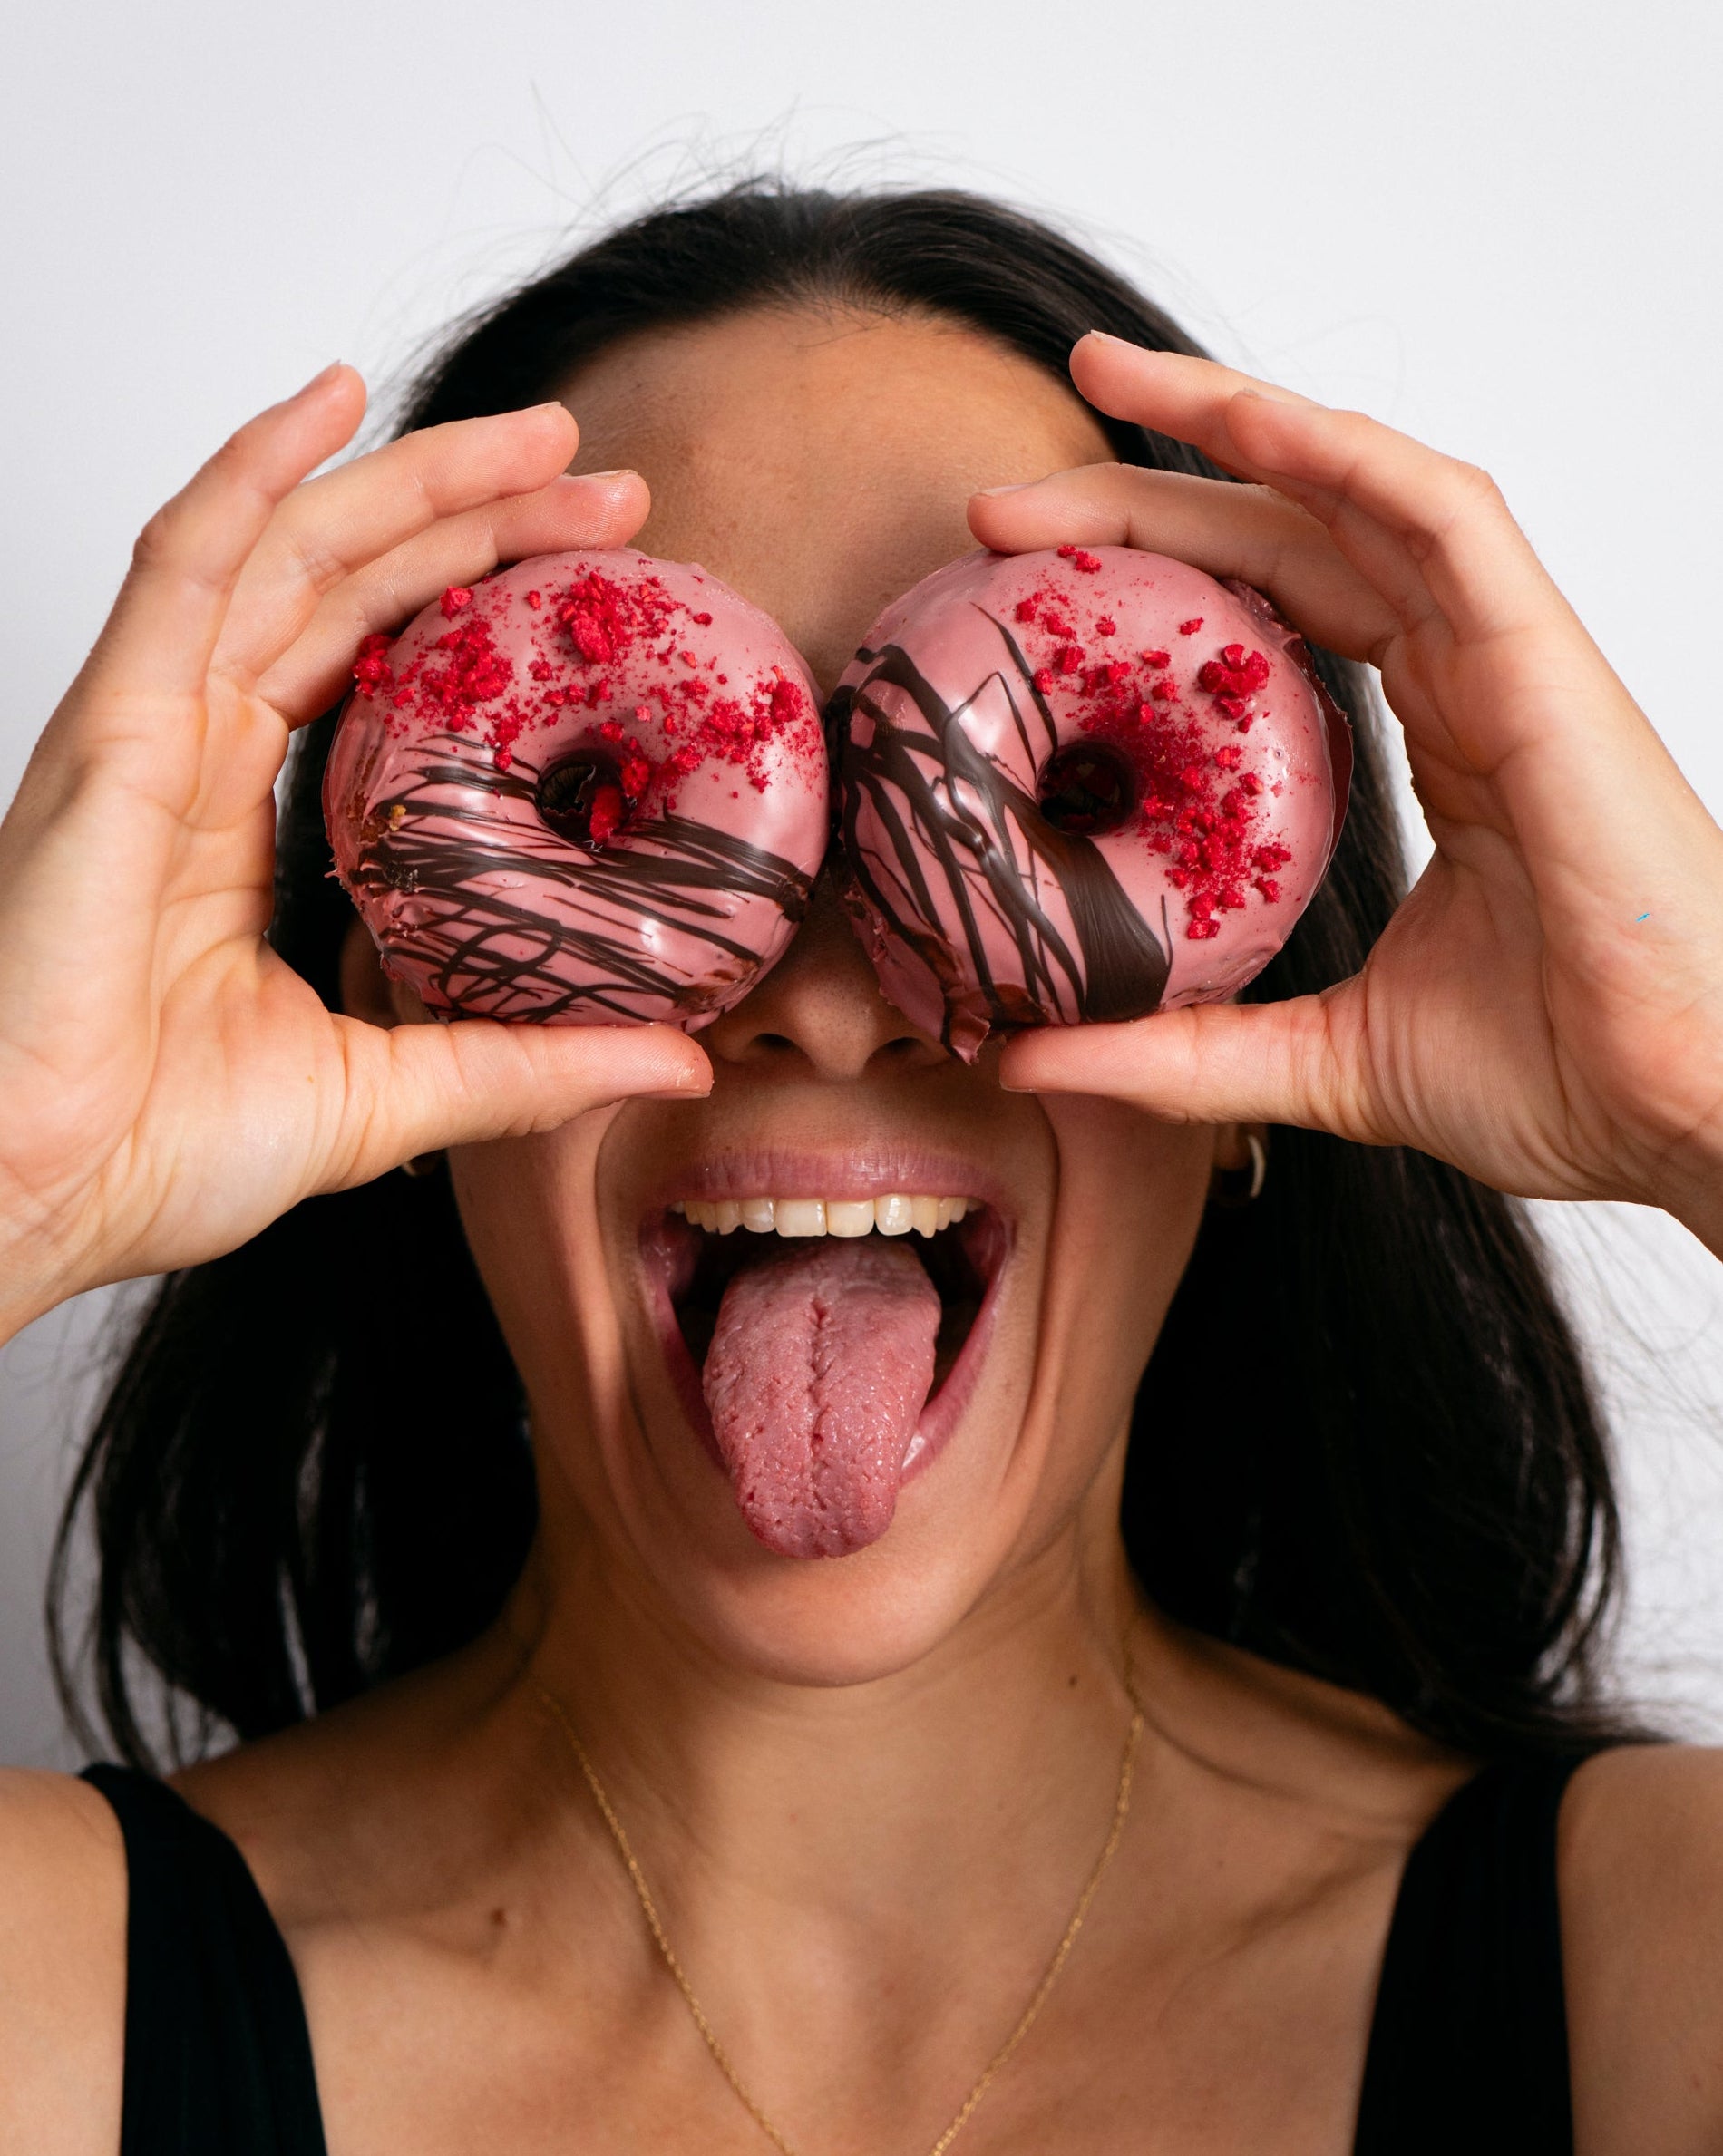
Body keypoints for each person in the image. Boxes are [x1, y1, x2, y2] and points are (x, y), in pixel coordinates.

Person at [1, 183, 1720, 2156]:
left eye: (999, 800)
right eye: (627, 805)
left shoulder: (1653, 1965)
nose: (822, 1003)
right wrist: (23, 1163)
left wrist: (1697, 1083)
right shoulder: (54, 2009)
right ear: (389, 1001)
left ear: (1261, 1015)